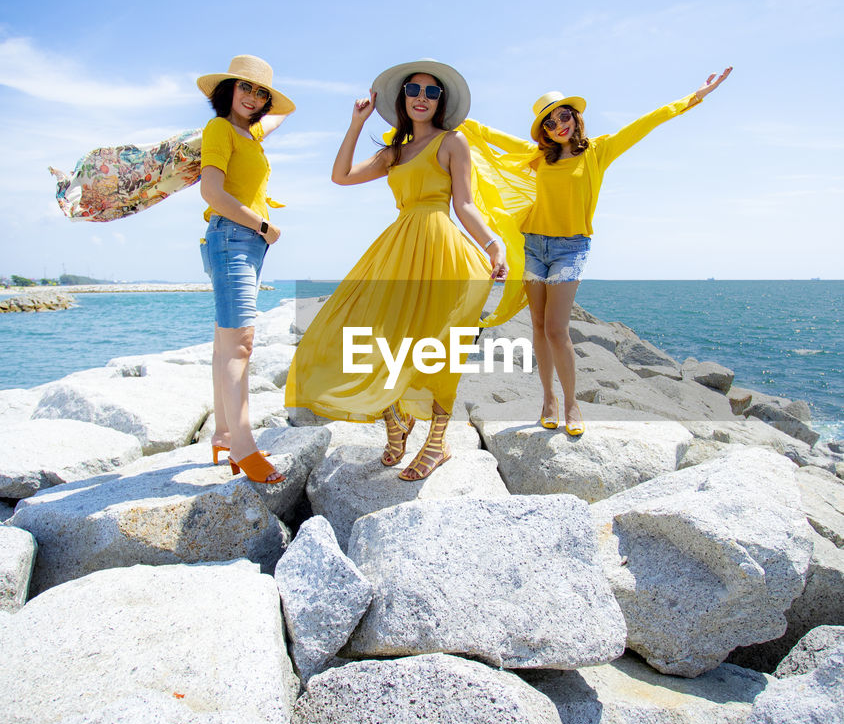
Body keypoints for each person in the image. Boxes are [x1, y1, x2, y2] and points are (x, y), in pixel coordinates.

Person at [284, 59, 507, 480]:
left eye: (432, 92)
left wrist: (494, 246)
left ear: (441, 101)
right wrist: (356, 123)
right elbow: (341, 176)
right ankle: (395, 419)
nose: (422, 98)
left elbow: (465, 205)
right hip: (399, 248)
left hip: (442, 250)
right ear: (402, 99)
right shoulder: (394, 153)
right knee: (371, 334)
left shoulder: (452, 142)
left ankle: (437, 442)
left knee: (439, 347)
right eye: (414, 90)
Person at [517, 68, 732, 435]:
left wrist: (694, 98)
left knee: (556, 330)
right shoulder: (538, 158)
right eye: (550, 123)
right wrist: (454, 123)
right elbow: (489, 143)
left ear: (575, 116)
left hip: (570, 249)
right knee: (537, 326)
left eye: (564, 115)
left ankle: (571, 404)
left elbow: (645, 123)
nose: (559, 125)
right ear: (545, 131)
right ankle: (548, 399)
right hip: (533, 245)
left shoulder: (597, 152)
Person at [197, 53, 295, 483]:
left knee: (225, 344)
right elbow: (211, 192)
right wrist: (264, 226)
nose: (253, 97)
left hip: (240, 243)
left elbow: (280, 117)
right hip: (235, 238)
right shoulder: (220, 129)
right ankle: (243, 445)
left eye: (261, 92)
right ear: (227, 90)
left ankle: (222, 433)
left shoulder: (249, 135)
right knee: (240, 346)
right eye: (245, 87)